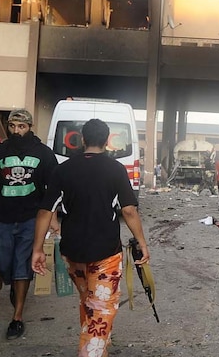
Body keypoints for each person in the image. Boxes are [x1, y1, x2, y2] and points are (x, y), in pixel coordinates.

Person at [32, 119, 150, 357]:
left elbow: (46, 211)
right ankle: (93, 351)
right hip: (105, 253)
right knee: (100, 311)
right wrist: (143, 243)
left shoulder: (63, 169)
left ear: (82, 139)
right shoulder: (115, 169)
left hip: (72, 252)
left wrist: (37, 250)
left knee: (90, 302)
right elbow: (128, 210)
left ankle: (99, 350)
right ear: (107, 141)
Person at [0, 109, 58, 341]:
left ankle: (17, 317)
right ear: (8, 127)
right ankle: (14, 285)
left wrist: (53, 218)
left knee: (23, 264)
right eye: (13, 126)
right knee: (1, 262)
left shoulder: (43, 154)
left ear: (30, 127)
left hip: (32, 218)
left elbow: (53, 189)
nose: (17, 131)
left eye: (21, 127)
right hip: (5, 218)